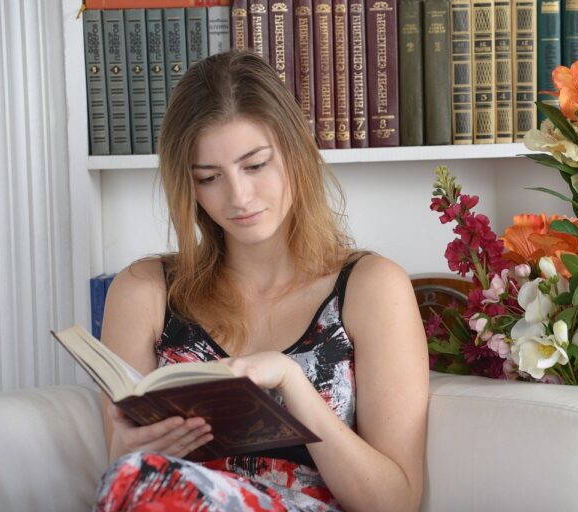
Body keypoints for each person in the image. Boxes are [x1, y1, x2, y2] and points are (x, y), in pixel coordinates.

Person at [96, 49, 429, 511]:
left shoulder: (371, 287)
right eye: (209, 177)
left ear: (294, 152)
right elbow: (120, 474)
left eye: (255, 166)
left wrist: (293, 383)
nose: (239, 196)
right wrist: (129, 448)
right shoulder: (143, 292)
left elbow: (395, 503)